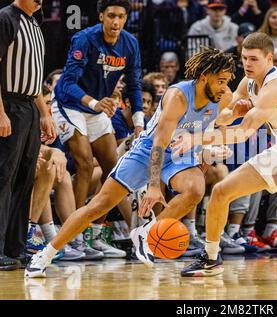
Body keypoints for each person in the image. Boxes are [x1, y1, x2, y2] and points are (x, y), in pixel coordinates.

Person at [25, 47, 235, 278]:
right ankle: (45, 254)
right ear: (204, 76)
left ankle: (147, 232)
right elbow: (158, 143)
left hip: (180, 153)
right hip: (148, 150)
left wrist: (207, 151)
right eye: (221, 81)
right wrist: (154, 186)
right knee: (97, 206)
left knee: (195, 189)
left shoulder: (223, 97)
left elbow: (213, 128)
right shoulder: (178, 96)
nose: (225, 87)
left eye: (227, 82)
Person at [176, 32, 277, 277]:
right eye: (244, 58)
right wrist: (233, 113)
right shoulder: (247, 83)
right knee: (220, 191)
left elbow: (244, 133)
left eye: (253, 59)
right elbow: (225, 117)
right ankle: (211, 257)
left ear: (269, 59)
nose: (247, 64)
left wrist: (195, 138)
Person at [51, 0, 145, 258]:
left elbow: (134, 86)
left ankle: (92, 231)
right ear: (101, 16)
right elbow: (67, 83)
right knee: (83, 163)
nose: (116, 22)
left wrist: (139, 123)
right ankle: (72, 235)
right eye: (111, 16)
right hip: (70, 104)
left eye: (121, 17)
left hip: (97, 108)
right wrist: (95, 102)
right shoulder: (84, 39)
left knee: (115, 170)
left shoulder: (130, 44)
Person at [0, 0, 56, 271]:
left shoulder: (35, 24)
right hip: (8, 105)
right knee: (4, 177)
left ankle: (15, 247)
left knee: (25, 178)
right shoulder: (6, 18)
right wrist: (0, 113)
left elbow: (35, 76)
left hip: (30, 107)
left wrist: (44, 113)